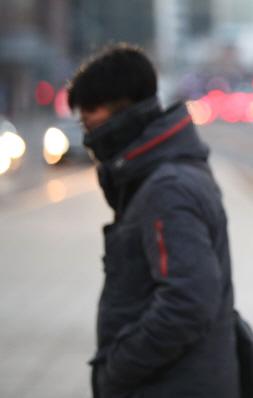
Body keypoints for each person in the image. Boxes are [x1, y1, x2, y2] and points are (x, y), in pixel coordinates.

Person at [67, 44, 241, 398]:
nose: (87, 133)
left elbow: (188, 301)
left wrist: (117, 367)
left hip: (173, 386)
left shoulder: (167, 187)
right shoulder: (159, 173)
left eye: (89, 118)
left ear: (123, 110)